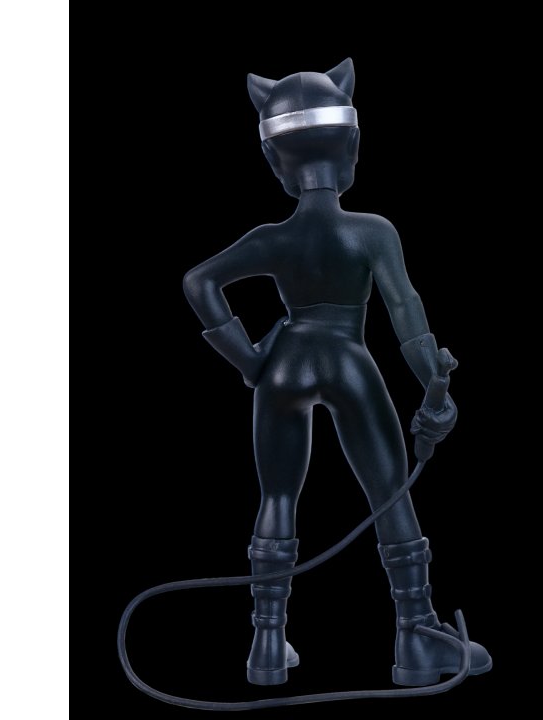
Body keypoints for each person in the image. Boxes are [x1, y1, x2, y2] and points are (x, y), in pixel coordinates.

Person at [182, 59, 491, 687]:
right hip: (349, 361)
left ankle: (267, 646)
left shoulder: (271, 238)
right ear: (351, 145)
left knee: (276, 497)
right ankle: (416, 634)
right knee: (390, 490)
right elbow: (407, 316)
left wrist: (249, 360)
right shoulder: (372, 232)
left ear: (274, 159)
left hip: (284, 365)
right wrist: (434, 386)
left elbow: (198, 281)